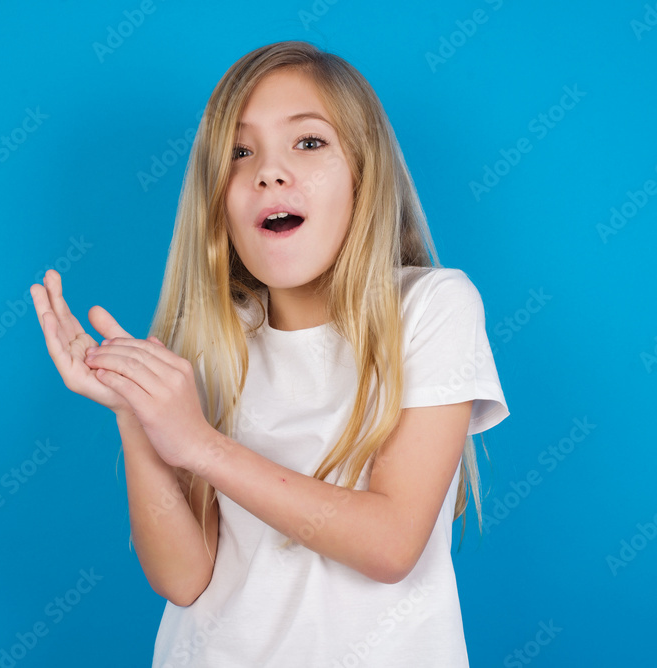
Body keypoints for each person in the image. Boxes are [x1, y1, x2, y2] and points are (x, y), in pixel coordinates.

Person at [30, 40, 509, 668]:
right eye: (239, 151)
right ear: (218, 200)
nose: (268, 171)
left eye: (308, 143)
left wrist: (197, 441)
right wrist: (137, 415)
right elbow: (185, 580)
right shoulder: (212, 342)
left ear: (364, 175)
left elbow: (391, 545)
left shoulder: (434, 307)